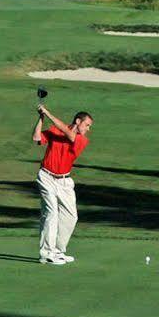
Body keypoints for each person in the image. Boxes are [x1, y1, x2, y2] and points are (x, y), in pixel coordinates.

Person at [33, 104, 93, 265]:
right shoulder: (55, 130)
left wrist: (48, 113)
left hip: (65, 181)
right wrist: (41, 118)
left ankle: (58, 251)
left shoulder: (81, 139)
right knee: (51, 212)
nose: (88, 129)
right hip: (46, 177)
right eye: (87, 125)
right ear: (78, 121)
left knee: (71, 216)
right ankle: (46, 253)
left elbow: (69, 134)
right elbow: (37, 138)